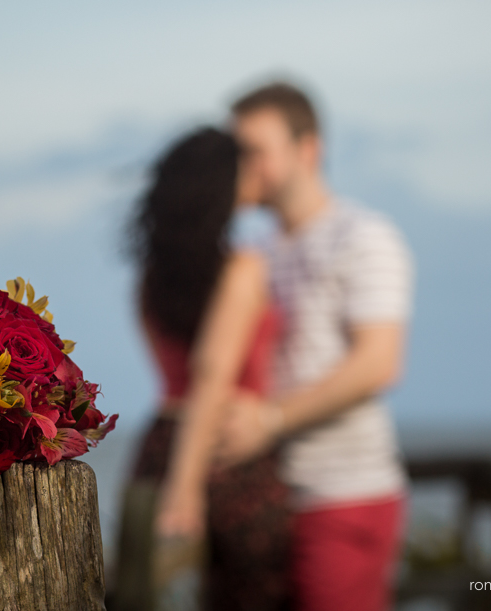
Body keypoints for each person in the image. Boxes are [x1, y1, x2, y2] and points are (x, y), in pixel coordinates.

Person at [218, 82, 414, 611]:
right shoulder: (254, 251)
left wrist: (270, 421)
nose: (242, 166)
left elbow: (379, 363)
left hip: (344, 494)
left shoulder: (364, 236)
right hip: (270, 499)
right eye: (235, 153)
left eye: (255, 151)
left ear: (309, 149)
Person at [115, 127, 290, 611]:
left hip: (159, 443)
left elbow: (172, 369)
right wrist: (185, 488)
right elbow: (211, 374)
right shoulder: (242, 268)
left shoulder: (151, 278)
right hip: (226, 451)